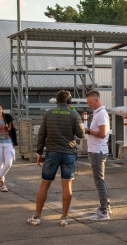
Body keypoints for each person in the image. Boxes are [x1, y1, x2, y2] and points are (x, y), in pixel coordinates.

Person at [27, 90, 85, 226]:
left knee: (45, 184)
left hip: (52, 153)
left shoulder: (48, 114)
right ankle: (64, 218)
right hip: (68, 153)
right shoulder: (74, 114)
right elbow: (81, 134)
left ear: (57, 101)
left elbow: (42, 135)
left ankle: (37, 217)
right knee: (67, 185)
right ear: (69, 101)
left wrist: (39, 153)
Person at [85, 90, 111, 220]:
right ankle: (106, 206)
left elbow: (102, 133)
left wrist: (88, 130)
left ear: (96, 100)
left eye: (90, 102)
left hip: (98, 151)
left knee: (99, 181)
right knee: (101, 180)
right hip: (96, 150)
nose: (89, 105)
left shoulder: (101, 114)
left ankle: (103, 210)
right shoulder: (98, 113)